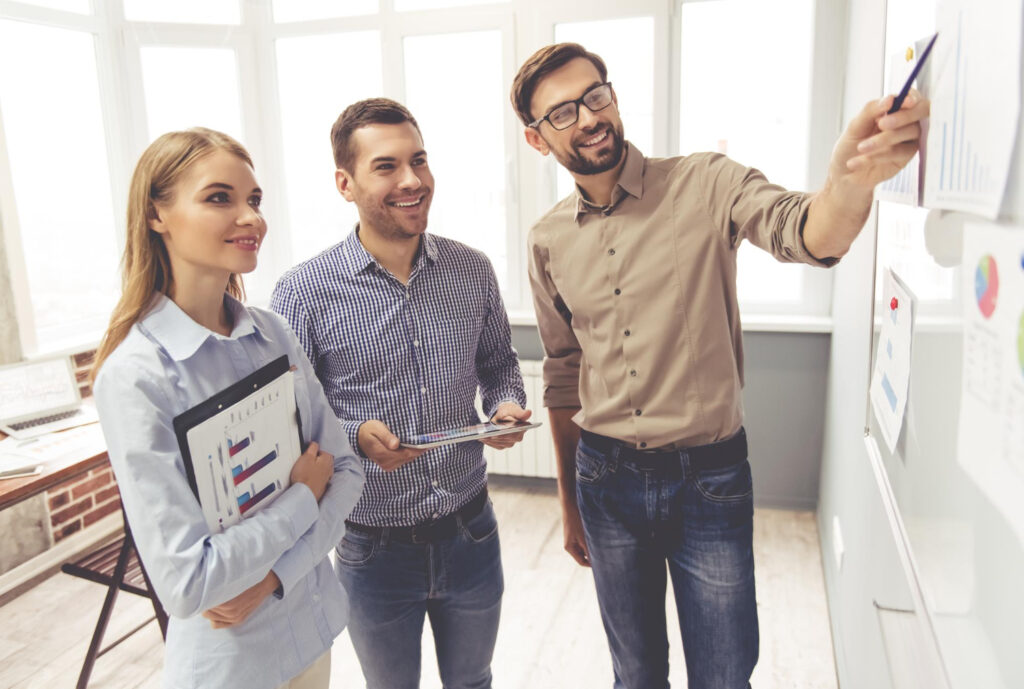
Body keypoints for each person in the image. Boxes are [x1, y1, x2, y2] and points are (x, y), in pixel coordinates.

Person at [511, 43, 929, 689]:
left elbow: (807, 232)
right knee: (636, 672)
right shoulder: (546, 239)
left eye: (596, 95)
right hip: (605, 479)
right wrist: (569, 502)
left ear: (613, 96)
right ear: (539, 140)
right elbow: (564, 372)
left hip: (707, 478)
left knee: (725, 675)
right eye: (562, 112)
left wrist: (850, 182)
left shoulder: (705, 181)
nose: (589, 116)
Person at [91, 128, 365, 689]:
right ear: (156, 215)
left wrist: (271, 578)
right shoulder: (136, 378)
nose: (250, 217)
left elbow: (349, 471)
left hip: (311, 631)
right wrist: (302, 496)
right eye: (220, 198)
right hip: (234, 666)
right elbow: (190, 583)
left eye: (255, 200)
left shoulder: (274, 333)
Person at [270, 98, 529, 689]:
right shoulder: (301, 293)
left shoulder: (473, 271)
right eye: (386, 166)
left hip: (472, 533)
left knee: (474, 682)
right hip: (371, 549)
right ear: (346, 183)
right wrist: (353, 437)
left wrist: (506, 405)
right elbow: (292, 423)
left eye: (419, 160)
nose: (412, 180)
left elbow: (499, 366)